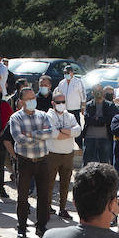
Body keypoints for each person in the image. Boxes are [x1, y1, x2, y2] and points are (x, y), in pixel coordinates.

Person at [7, 87, 54, 238]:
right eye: (28, 99)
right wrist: (39, 136)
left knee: (44, 195)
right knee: (22, 196)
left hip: (43, 160)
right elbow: (19, 139)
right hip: (25, 161)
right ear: (21, 101)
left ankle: (41, 226)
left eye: (33, 97)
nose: (32, 100)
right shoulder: (16, 118)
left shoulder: (43, 115)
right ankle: (21, 227)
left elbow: (50, 133)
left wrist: (31, 134)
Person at [45, 90, 81, 219]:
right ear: (53, 103)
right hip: (52, 154)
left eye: (63, 102)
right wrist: (68, 133)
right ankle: (46, 206)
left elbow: (77, 130)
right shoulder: (48, 116)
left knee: (65, 184)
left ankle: (63, 208)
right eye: (58, 102)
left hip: (67, 154)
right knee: (49, 182)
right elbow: (53, 134)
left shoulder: (70, 116)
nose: (61, 104)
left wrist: (63, 131)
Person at [81, 86, 118, 168]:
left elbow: (110, 120)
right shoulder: (89, 105)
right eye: (96, 91)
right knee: (88, 163)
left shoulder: (110, 105)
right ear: (92, 93)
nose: (98, 93)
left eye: (100, 91)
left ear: (103, 92)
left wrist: (97, 120)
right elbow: (88, 119)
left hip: (105, 138)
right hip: (90, 138)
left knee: (104, 164)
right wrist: (102, 121)